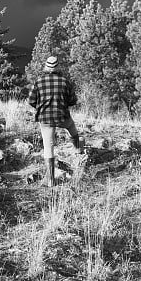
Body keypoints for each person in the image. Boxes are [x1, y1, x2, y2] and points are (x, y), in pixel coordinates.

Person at [27, 56, 84, 186]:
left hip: (45, 119)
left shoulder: (39, 82)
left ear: (46, 67)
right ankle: (78, 150)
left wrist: (42, 107)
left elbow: (31, 100)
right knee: (72, 129)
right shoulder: (65, 82)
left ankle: (51, 179)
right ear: (58, 67)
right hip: (62, 116)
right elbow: (73, 101)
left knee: (48, 147)